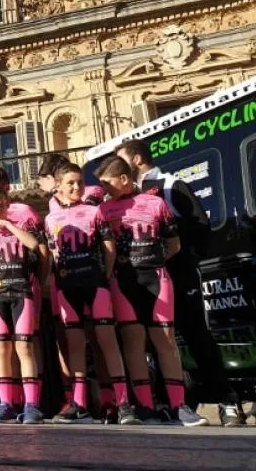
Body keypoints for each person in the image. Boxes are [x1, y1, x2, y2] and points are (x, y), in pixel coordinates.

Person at [115, 139, 243, 427]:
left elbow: (199, 225)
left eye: (121, 160)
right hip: (146, 277)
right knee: (158, 341)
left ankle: (227, 400)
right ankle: (173, 403)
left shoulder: (170, 184)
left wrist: (182, 256)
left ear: (135, 160)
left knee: (196, 334)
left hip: (178, 272)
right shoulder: (127, 197)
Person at [94, 156, 208, 427]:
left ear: (124, 178)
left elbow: (174, 244)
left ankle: (179, 406)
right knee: (133, 340)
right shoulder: (103, 210)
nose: (104, 189)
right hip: (123, 281)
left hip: (156, 278)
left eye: (107, 183)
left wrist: (154, 260)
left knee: (166, 341)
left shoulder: (155, 203)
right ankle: (145, 406)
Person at [43, 164, 139, 425]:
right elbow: (53, 254)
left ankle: (123, 404)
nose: (76, 188)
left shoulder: (95, 211)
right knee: (75, 346)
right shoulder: (50, 219)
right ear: (59, 186)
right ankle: (80, 404)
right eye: (70, 183)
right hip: (67, 287)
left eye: (79, 183)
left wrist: (104, 276)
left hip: (94, 283)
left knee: (107, 340)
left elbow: (109, 248)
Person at [0, 184, 45, 424]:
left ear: (7, 203)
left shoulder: (20, 226)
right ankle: (6, 403)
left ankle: (32, 404)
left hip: (21, 292)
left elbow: (34, 245)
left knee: (25, 348)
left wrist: (7, 224)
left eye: (0, 206)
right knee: (1, 350)